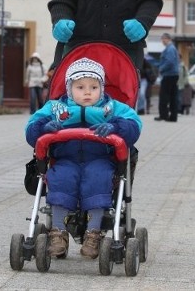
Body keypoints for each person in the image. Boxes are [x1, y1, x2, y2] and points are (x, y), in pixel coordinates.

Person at [25, 57, 141, 259]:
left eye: (94, 87)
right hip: (65, 160)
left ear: (102, 88)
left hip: (100, 160)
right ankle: (57, 232)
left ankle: (93, 233)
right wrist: (44, 128)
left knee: (99, 177)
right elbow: (30, 130)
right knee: (59, 178)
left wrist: (116, 127)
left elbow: (134, 125)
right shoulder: (55, 109)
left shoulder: (112, 109)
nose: (88, 92)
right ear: (69, 88)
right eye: (80, 87)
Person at [155, 33, 179, 122]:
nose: (162, 41)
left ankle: (163, 115)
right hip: (173, 75)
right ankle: (173, 116)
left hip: (169, 75)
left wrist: (161, 69)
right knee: (173, 96)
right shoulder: (171, 48)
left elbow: (170, 62)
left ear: (168, 39)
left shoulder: (170, 49)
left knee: (164, 96)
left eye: (163, 39)